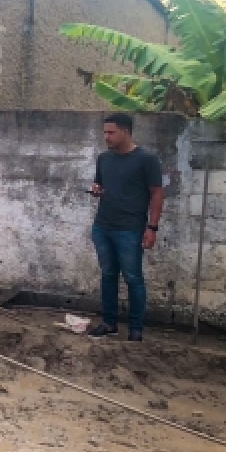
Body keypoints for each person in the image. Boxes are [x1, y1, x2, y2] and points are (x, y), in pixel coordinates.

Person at [88, 112, 164, 342]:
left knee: (133, 278)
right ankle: (109, 323)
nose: (106, 137)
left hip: (130, 229)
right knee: (108, 274)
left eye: (111, 132)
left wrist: (152, 228)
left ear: (126, 131)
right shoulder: (104, 159)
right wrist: (96, 189)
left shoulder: (146, 160)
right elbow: (99, 183)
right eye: (104, 132)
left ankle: (135, 329)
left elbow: (157, 194)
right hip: (103, 226)